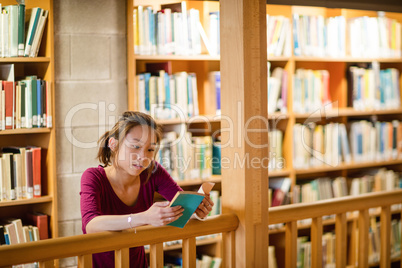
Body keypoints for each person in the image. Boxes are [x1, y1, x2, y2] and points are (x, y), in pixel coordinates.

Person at [80, 111, 214, 267]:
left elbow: (181, 205)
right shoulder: (93, 177)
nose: (143, 157)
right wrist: (144, 218)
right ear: (113, 144)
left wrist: (197, 209)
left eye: (150, 150)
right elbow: (91, 224)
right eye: (135, 146)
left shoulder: (153, 171)